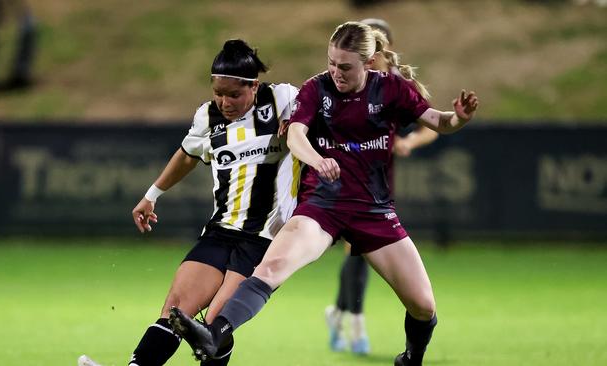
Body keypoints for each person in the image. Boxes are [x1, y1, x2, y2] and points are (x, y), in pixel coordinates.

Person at [170, 21, 478, 366]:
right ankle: (214, 334)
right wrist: (318, 160)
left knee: (423, 306)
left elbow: (438, 121)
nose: (336, 72)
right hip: (321, 207)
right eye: (331, 62)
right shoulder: (317, 89)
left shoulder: (392, 89)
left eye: (345, 66)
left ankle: (411, 359)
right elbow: (296, 135)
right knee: (271, 267)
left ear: (370, 62)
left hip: (372, 210)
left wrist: (459, 118)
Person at [78, 39, 299, 366]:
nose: (224, 102)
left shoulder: (283, 99)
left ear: (254, 86)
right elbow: (187, 156)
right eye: (218, 93)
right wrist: (151, 195)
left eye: (234, 94)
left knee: (215, 323)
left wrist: (301, 117)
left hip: (265, 240)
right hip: (221, 231)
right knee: (176, 310)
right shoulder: (207, 117)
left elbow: (324, 99)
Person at [324, 17, 438, 356]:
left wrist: (409, 144)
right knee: (356, 253)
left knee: (360, 254)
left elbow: (431, 123)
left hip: (379, 183)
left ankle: (338, 313)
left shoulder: (396, 82)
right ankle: (353, 321)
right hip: (347, 180)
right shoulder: (343, 79)